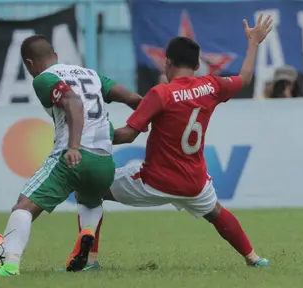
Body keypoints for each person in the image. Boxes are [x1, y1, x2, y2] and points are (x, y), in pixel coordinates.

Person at [74, 14, 273, 270]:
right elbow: (245, 79)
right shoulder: (211, 86)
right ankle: (254, 259)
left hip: (155, 180)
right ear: (196, 65)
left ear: (167, 62)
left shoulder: (161, 93)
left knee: (89, 190)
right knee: (216, 212)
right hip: (194, 183)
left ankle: (89, 261)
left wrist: (91, 133)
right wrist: (253, 43)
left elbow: (128, 134)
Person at [0, 35, 142, 276]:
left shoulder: (45, 79)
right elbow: (134, 99)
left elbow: (73, 103)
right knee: (89, 199)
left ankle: (10, 266)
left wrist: (74, 146)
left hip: (73, 157)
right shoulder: (92, 75)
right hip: (104, 161)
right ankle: (88, 241)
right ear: (55, 55)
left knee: (23, 207)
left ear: (30, 64)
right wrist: (141, 126)